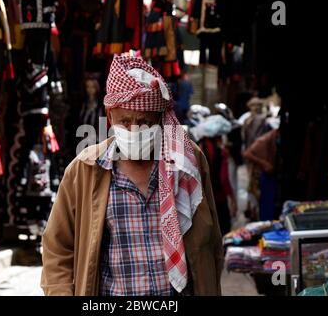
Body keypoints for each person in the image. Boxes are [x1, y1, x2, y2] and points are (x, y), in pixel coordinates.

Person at [41, 53, 223, 296]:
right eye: (125, 121)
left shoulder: (186, 162)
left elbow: (211, 244)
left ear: (160, 119)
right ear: (110, 114)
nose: (135, 129)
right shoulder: (84, 169)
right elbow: (57, 249)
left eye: (144, 122)